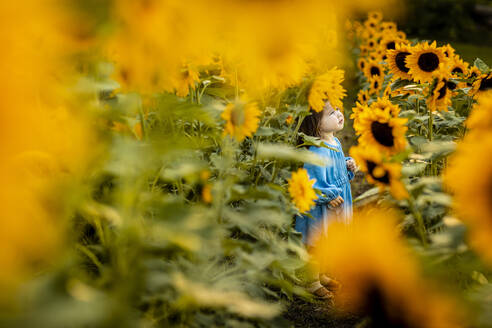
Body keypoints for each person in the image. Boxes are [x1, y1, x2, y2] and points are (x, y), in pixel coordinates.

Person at [295, 100, 358, 300]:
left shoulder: (335, 142)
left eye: (338, 109)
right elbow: (311, 180)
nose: (339, 114)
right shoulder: (316, 151)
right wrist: (327, 196)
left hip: (335, 203)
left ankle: (321, 275)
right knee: (316, 243)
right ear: (316, 124)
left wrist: (347, 165)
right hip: (320, 208)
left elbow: (336, 168)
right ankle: (312, 282)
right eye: (331, 113)